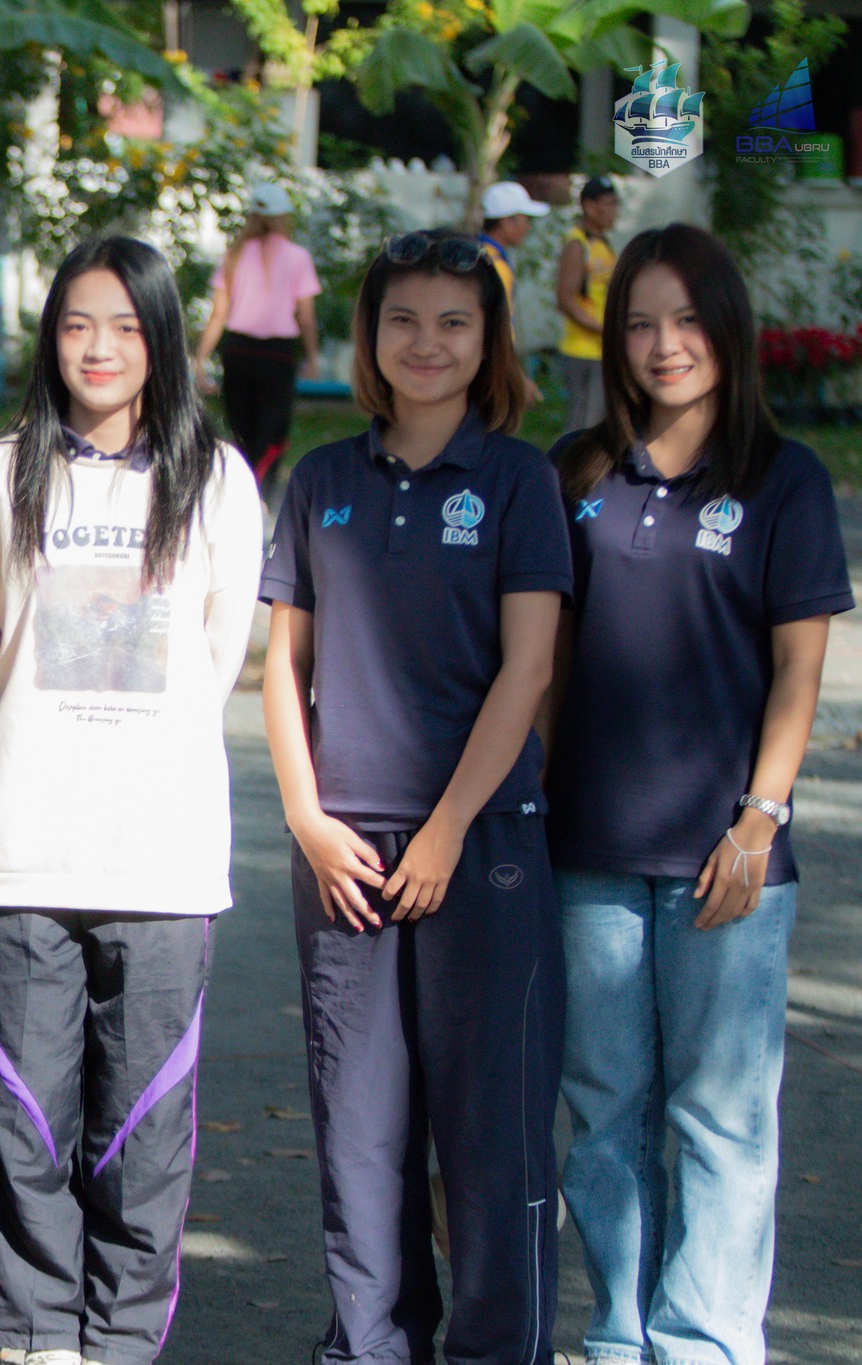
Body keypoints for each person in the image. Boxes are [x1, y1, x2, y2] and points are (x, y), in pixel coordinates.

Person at [259, 228, 571, 1365]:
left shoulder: (518, 480)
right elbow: (281, 667)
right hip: (342, 851)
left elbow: (527, 669)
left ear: (488, 340)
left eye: (453, 321)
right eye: (403, 319)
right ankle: (369, 1345)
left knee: (490, 1131)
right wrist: (305, 818)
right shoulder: (322, 480)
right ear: (369, 336)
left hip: (479, 845)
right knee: (359, 1131)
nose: (425, 342)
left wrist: (443, 830)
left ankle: (496, 1349)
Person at [542, 223, 853, 1365]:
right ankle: (619, 1336)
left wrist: (759, 820)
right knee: (603, 1113)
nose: (662, 344)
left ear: (726, 327)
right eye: (638, 322)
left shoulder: (782, 478)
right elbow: (544, 659)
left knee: (720, 1118)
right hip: (588, 847)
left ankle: (707, 1343)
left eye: (684, 319)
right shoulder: (575, 471)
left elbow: (798, 668)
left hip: (727, 854)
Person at [0, 236, 264, 1365]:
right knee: (27, 1120)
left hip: (161, 854)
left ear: (162, 341)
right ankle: (38, 1338)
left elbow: (216, 654)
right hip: (24, 850)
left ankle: (122, 1340)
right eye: (78, 323)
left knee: (141, 1127)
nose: (98, 347)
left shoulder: (218, 481)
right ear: (49, 337)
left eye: (126, 326)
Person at [194, 182, 321, 494]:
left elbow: (219, 314)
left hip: (239, 351)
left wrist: (200, 358)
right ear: (284, 216)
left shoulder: (234, 255)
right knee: (272, 434)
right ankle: (262, 495)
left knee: (241, 432)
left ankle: (237, 494)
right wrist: (312, 357)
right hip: (278, 355)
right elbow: (305, 317)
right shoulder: (298, 257)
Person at [554, 175, 619, 435]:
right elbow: (565, 300)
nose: (615, 211)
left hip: (601, 351)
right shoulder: (577, 244)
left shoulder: (603, 244)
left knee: (596, 426)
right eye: (609, 204)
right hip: (582, 351)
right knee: (582, 427)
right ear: (590, 207)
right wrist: (603, 329)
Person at [480, 179, 551, 406]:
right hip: (491, 367)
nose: (528, 227)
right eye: (525, 219)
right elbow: (494, 326)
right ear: (507, 222)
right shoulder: (496, 266)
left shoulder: (479, 254)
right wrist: (516, 376)